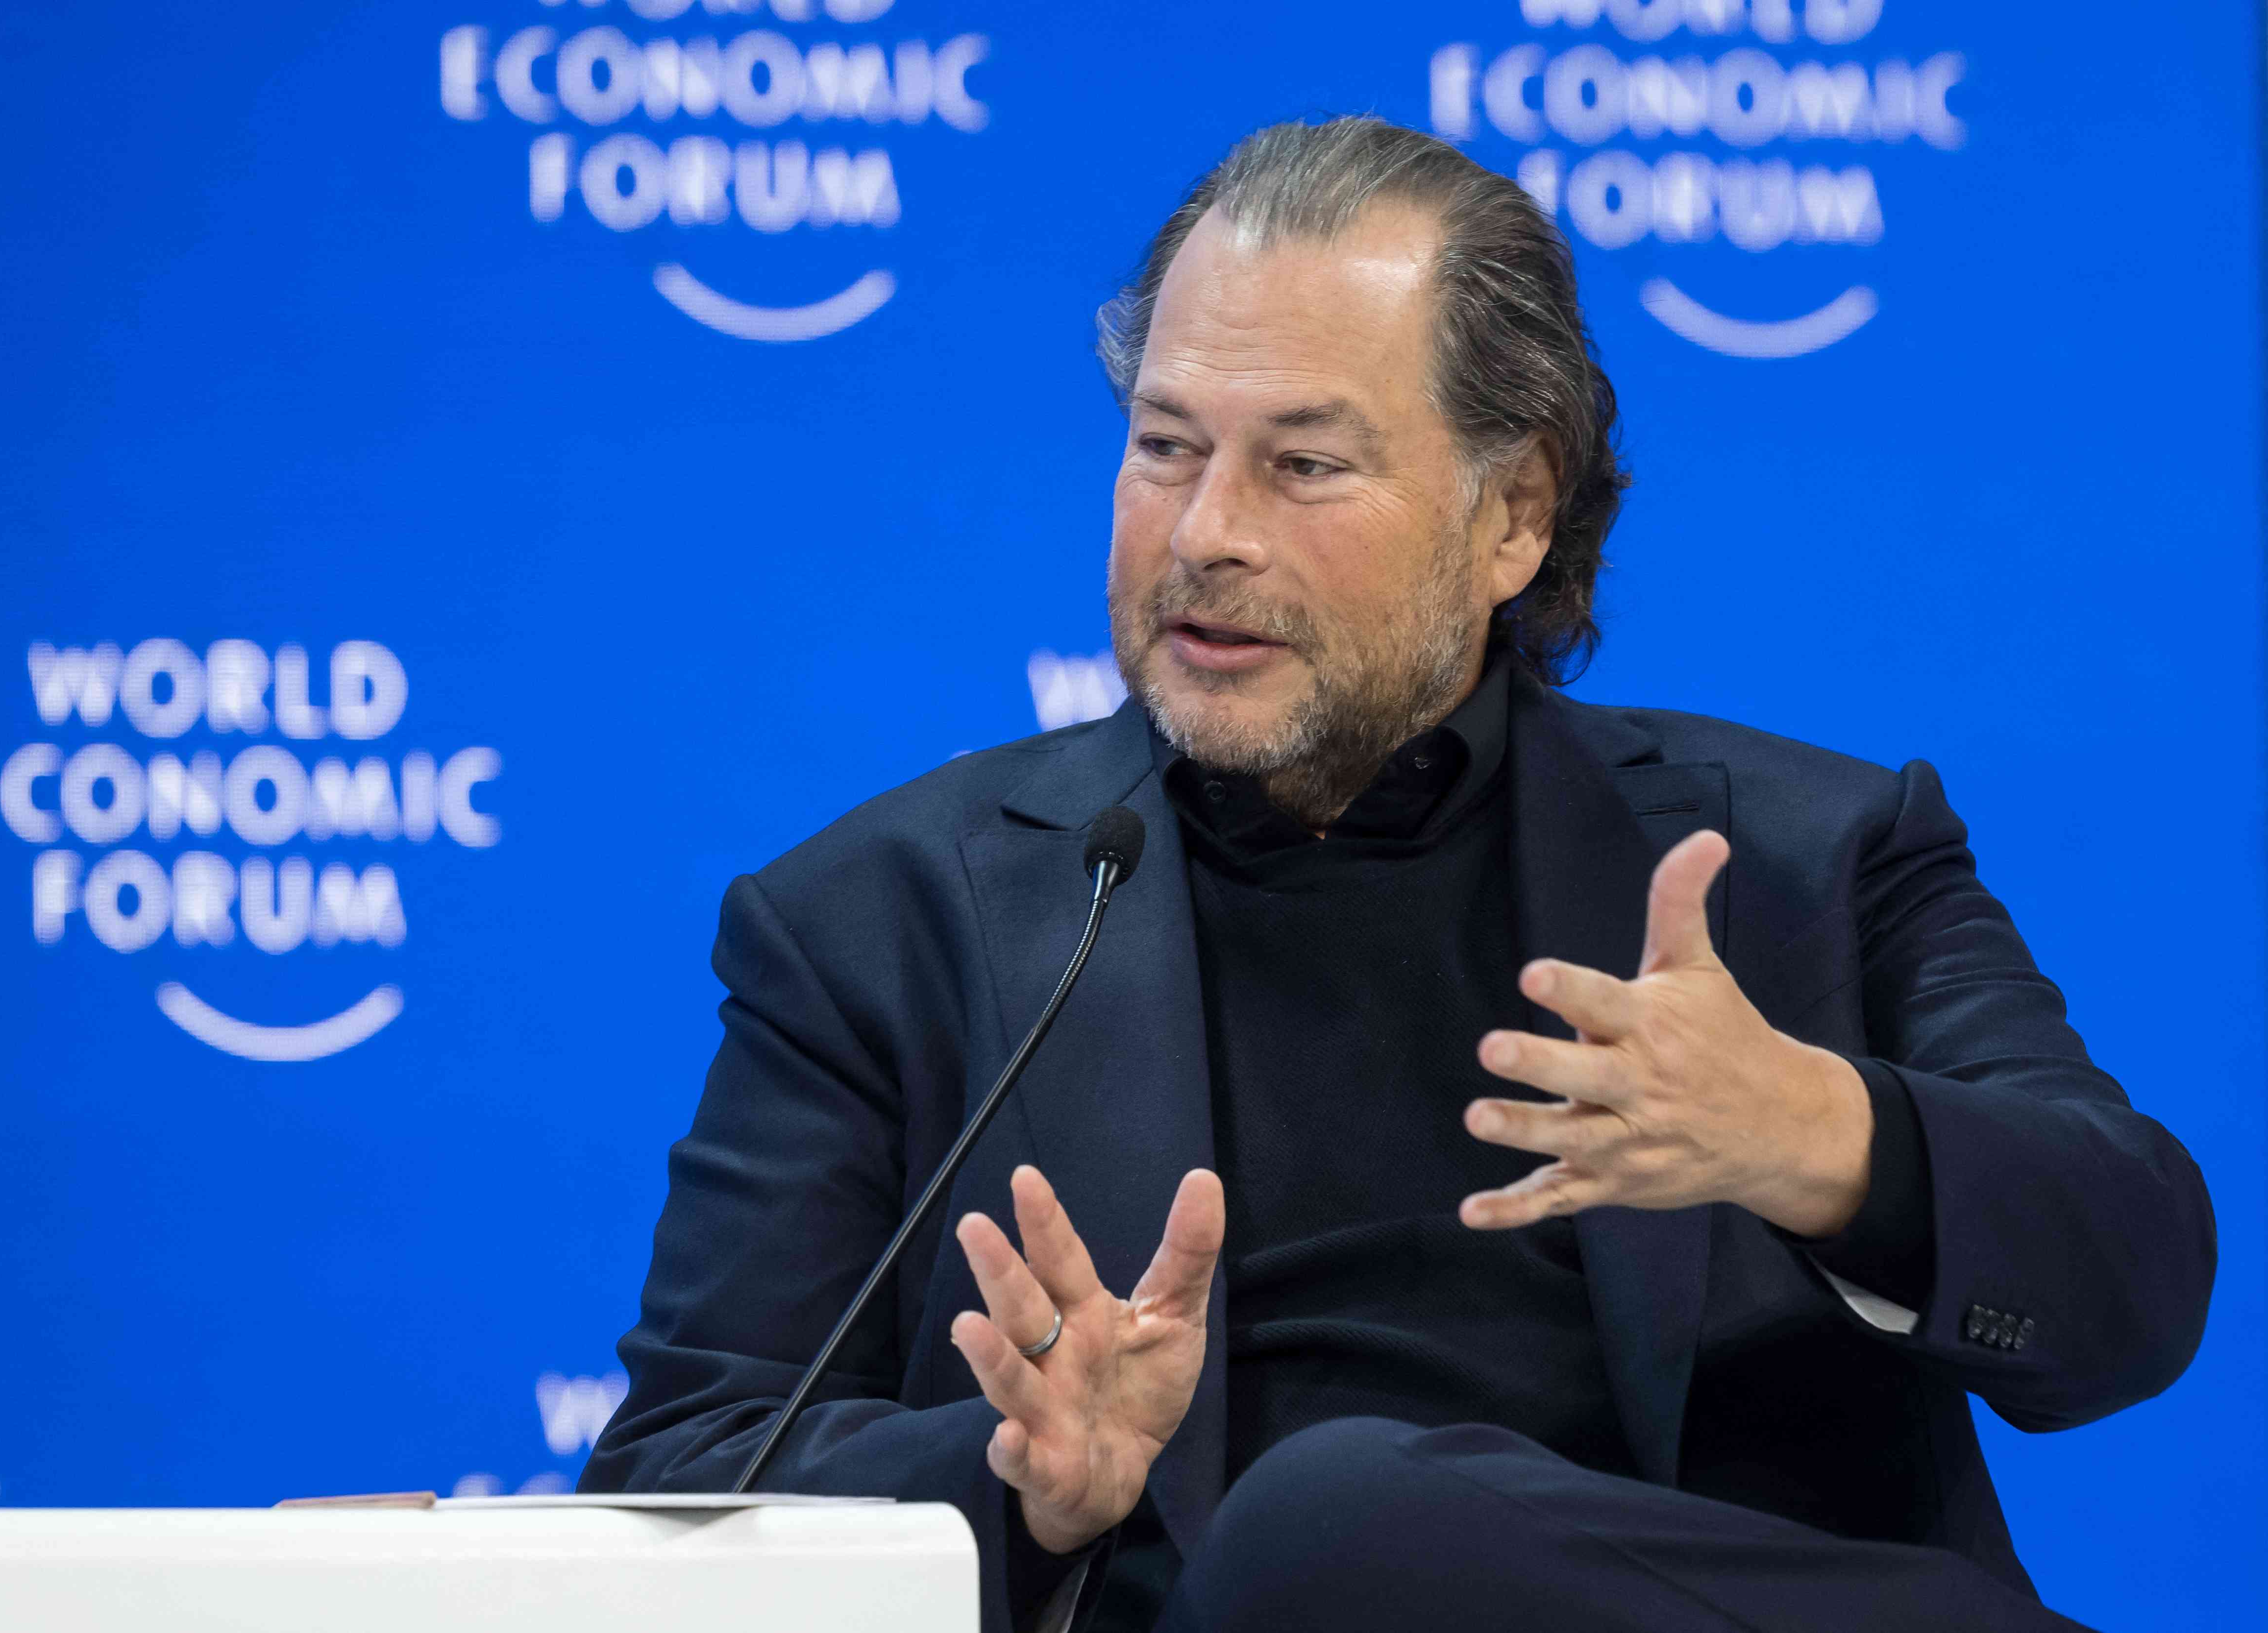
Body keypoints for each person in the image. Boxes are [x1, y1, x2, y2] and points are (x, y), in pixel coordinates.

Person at [578, 117, 2215, 1633]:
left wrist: (1824, 1139)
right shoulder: (881, 919)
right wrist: (1018, 1490)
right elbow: (678, 1473)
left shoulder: (1801, 855)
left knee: (1349, 1519)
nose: (1206, 532)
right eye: (1165, 446)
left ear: (1511, 519)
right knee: (1328, 1529)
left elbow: (2132, 1296)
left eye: (1303, 464)